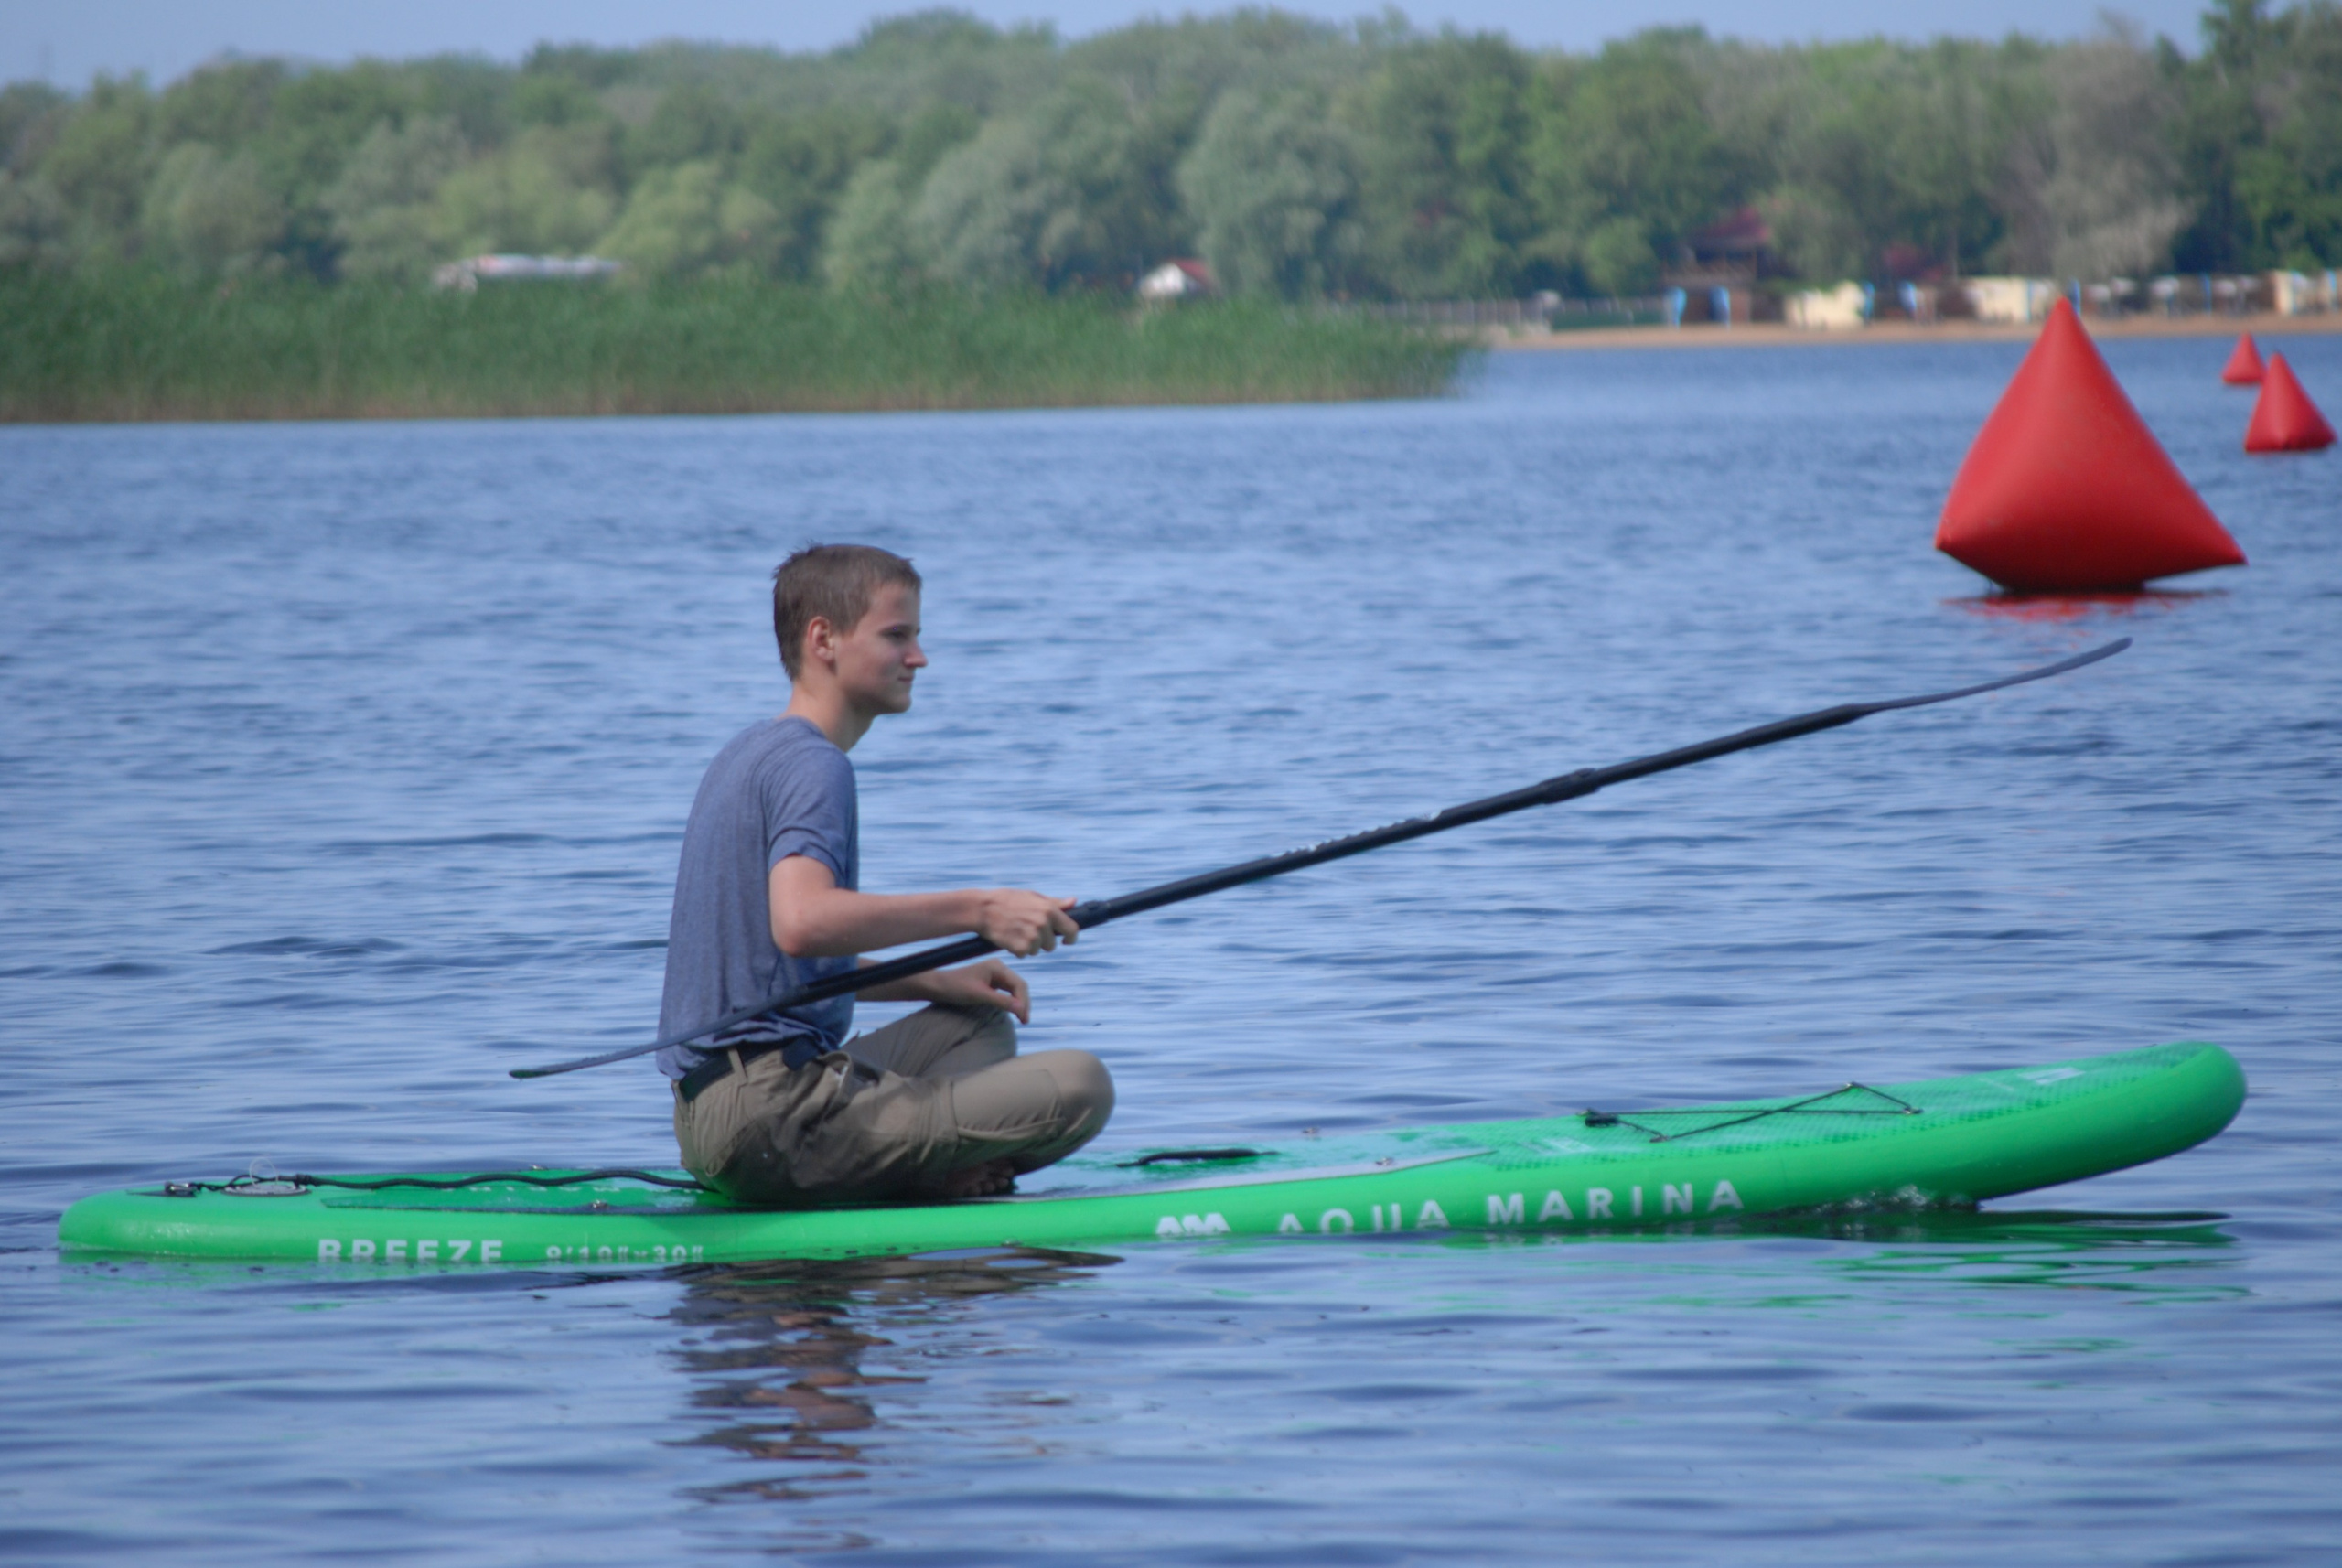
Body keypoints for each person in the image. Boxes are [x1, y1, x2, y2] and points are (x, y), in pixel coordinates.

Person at [657, 543, 1113, 1205]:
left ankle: (918, 1163)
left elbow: (777, 972)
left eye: (917, 637)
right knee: (1082, 1086)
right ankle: (924, 1178)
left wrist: (938, 979)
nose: (919, 658)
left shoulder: (749, 753)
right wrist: (982, 911)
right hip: (771, 1120)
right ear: (824, 640)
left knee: (975, 1020)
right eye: (897, 636)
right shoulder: (816, 767)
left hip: (719, 1111)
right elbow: (803, 923)